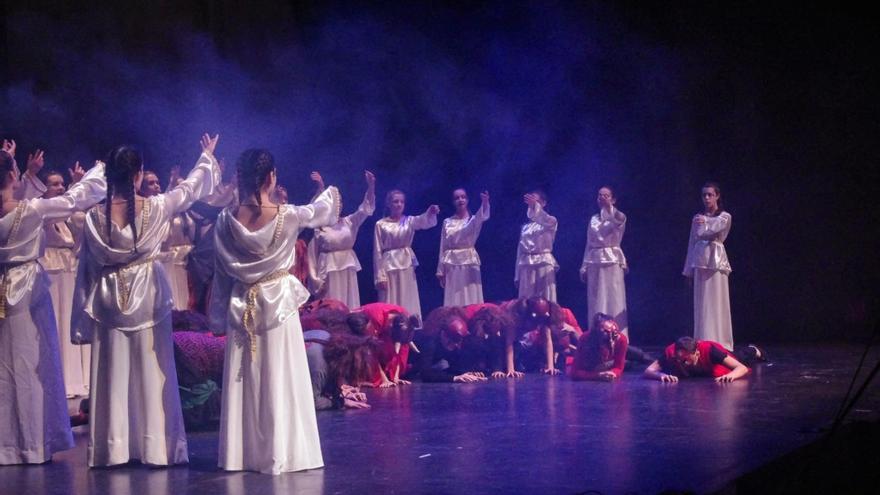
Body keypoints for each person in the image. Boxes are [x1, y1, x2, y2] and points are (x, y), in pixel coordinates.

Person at [71, 134, 220, 467]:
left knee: (112, 372)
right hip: (147, 295)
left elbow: (87, 269)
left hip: (110, 297)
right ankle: (155, 446)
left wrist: (81, 320)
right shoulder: (156, 206)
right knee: (152, 369)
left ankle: (115, 447)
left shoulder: (95, 217)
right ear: (138, 174)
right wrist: (206, 157)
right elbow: (190, 189)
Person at [210, 148, 339, 474]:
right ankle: (283, 450)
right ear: (270, 177)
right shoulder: (288, 215)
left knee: (249, 376)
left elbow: (221, 273)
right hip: (278, 303)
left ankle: (244, 453)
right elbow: (321, 210)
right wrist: (328, 189)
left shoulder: (226, 220)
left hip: (243, 303)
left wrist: (218, 314)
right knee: (280, 374)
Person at [1, 140, 104, 464]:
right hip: (27, 290)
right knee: (30, 366)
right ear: (13, 176)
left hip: (5, 286)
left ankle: (6, 442)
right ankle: (30, 444)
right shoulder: (29, 211)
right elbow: (73, 200)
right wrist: (98, 172)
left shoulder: (25, 210)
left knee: (5, 366)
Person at [308, 170, 376, 307]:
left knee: (348, 302)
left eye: (339, 201)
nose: (337, 205)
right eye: (334, 202)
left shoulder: (349, 222)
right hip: (328, 269)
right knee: (331, 304)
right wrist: (321, 188)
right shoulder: (320, 227)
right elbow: (311, 256)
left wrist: (371, 187)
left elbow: (365, 209)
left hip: (347, 266)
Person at [683, 182, 734, 350]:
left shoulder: (725, 216)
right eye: (704, 195)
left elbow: (716, 228)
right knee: (703, 302)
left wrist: (705, 222)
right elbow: (693, 239)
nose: (706, 198)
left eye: (710, 195)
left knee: (718, 301)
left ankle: (721, 342)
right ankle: (703, 341)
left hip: (717, 260)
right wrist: (688, 270)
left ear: (717, 196)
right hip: (700, 260)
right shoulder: (697, 218)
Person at [373, 189, 438, 318]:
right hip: (388, 265)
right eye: (395, 201)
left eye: (402, 202)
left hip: (406, 263)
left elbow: (423, 221)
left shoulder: (409, 221)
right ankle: (390, 326)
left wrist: (430, 212)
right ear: (389, 204)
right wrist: (380, 276)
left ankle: (409, 327)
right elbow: (377, 251)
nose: (399, 204)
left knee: (407, 295)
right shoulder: (380, 224)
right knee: (390, 298)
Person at [579, 186, 629, 336]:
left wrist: (610, 208)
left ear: (613, 199)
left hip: (612, 259)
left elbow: (620, 219)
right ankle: (597, 337)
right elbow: (589, 243)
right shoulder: (593, 219)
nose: (602, 197)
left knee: (614, 298)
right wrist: (584, 265)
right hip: (594, 261)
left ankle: (618, 336)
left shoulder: (617, 217)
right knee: (596, 299)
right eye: (600, 195)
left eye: (606, 195)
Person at [436, 189, 490, 306]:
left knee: (472, 297)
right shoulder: (447, 222)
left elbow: (482, 216)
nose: (460, 200)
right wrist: (440, 270)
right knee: (454, 298)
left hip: (469, 261)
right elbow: (443, 246)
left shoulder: (473, 220)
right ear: (453, 202)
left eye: (463, 197)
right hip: (451, 263)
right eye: (457, 198)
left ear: (467, 200)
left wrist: (485, 203)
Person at [408, 307, 487, 383]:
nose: (454, 345)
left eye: (457, 342)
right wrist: (454, 378)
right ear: (443, 334)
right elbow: (426, 373)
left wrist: (467, 373)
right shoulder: (429, 342)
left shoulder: (453, 345)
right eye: (451, 341)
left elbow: (455, 365)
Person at [160, 166, 196, 310]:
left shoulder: (189, 214)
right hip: (172, 260)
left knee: (187, 297)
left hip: (186, 261)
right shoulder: (167, 213)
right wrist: (172, 183)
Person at [643, 336, 749, 383]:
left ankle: (755, 350)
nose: (683, 363)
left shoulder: (710, 351)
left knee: (742, 356)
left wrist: (730, 376)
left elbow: (741, 367)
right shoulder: (672, 353)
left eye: (686, 359)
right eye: (679, 359)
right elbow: (648, 371)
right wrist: (661, 375)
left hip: (721, 361)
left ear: (697, 354)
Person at [515, 190, 558, 301]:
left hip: (543, 262)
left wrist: (536, 207)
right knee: (526, 298)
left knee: (544, 298)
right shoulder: (525, 227)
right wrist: (517, 274)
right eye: (531, 203)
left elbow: (544, 219)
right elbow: (520, 251)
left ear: (543, 203)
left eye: (537, 202)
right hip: (526, 263)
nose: (533, 205)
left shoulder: (551, 221)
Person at [571, 313, 629, 381]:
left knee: (634, 355)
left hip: (611, 359)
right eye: (605, 332)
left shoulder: (621, 339)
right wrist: (597, 375)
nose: (610, 337)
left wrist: (613, 373)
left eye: (613, 332)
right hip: (601, 362)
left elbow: (618, 367)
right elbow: (574, 372)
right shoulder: (585, 339)